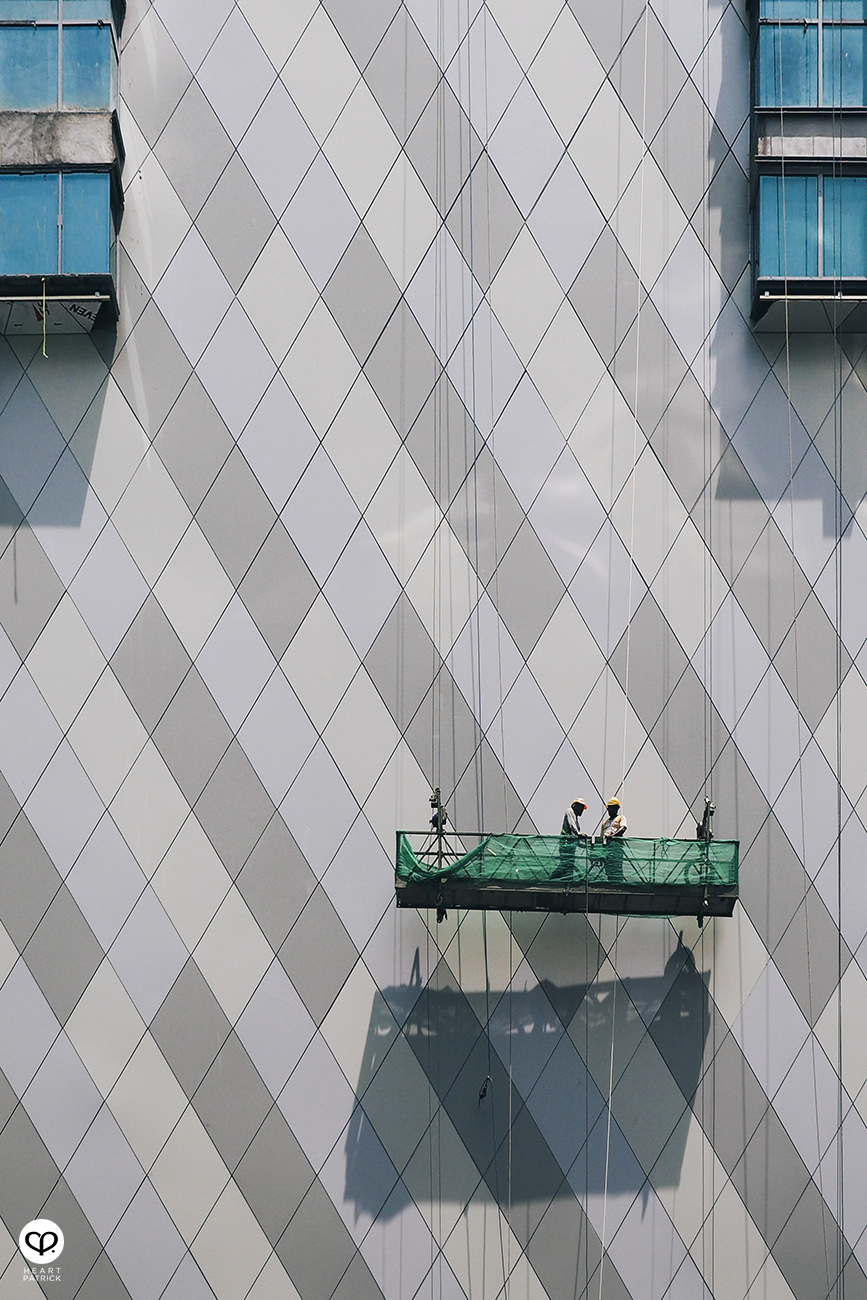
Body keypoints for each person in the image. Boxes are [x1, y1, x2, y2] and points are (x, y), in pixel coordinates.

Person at [558, 798, 587, 878]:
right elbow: (571, 825)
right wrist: (579, 833)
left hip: (571, 846)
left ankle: (567, 882)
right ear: (575, 806)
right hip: (566, 844)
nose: (582, 810)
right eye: (581, 808)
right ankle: (554, 878)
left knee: (569, 865)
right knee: (565, 864)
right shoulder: (569, 811)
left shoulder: (576, 819)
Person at [601, 796, 627, 884]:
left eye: (612, 808)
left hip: (616, 849)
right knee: (608, 869)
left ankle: (618, 885)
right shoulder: (605, 823)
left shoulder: (621, 818)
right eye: (609, 808)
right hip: (607, 850)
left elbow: (623, 829)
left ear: (616, 808)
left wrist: (612, 836)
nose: (610, 810)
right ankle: (611, 885)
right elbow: (601, 837)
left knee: (616, 869)